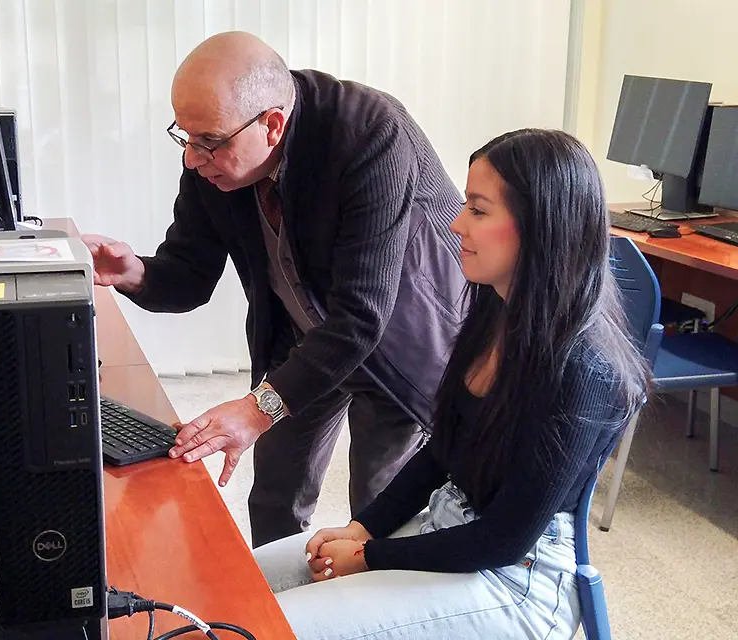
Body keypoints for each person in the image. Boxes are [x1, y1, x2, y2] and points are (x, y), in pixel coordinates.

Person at [252, 128, 651, 639]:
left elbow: (504, 538)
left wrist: (370, 557)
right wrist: (363, 528)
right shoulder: (492, 315)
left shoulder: (583, 370)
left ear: (541, 227)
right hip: (453, 529)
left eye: (479, 211)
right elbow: (440, 453)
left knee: (270, 628)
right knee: (248, 582)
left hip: (516, 580)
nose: (457, 224)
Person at [84, 31, 466, 548]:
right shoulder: (212, 155)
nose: (193, 159)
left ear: (272, 125)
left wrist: (255, 408)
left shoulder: (370, 133)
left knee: (378, 514)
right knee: (274, 497)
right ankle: (278, 617)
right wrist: (133, 272)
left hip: (399, 347)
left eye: (208, 143)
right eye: (185, 137)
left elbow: (361, 317)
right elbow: (189, 274)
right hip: (305, 338)